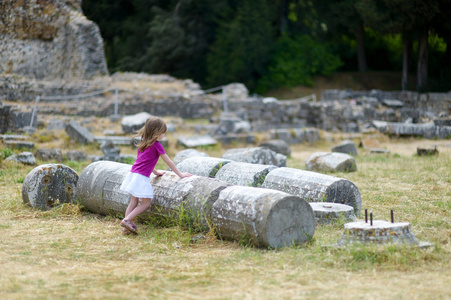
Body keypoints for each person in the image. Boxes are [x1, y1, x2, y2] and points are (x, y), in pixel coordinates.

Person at [119, 116, 192, 235]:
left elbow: (145, 162)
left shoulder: (143, 143)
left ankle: (125, 228)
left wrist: (156, 172)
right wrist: (180, 175)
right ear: (157, 133)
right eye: (163, 133)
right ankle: (126, 220)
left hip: (133, 174)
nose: (164, 135)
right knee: (146, 204)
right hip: (141, 177)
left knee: (133, 202)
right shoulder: (157, 145)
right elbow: (168, 162)